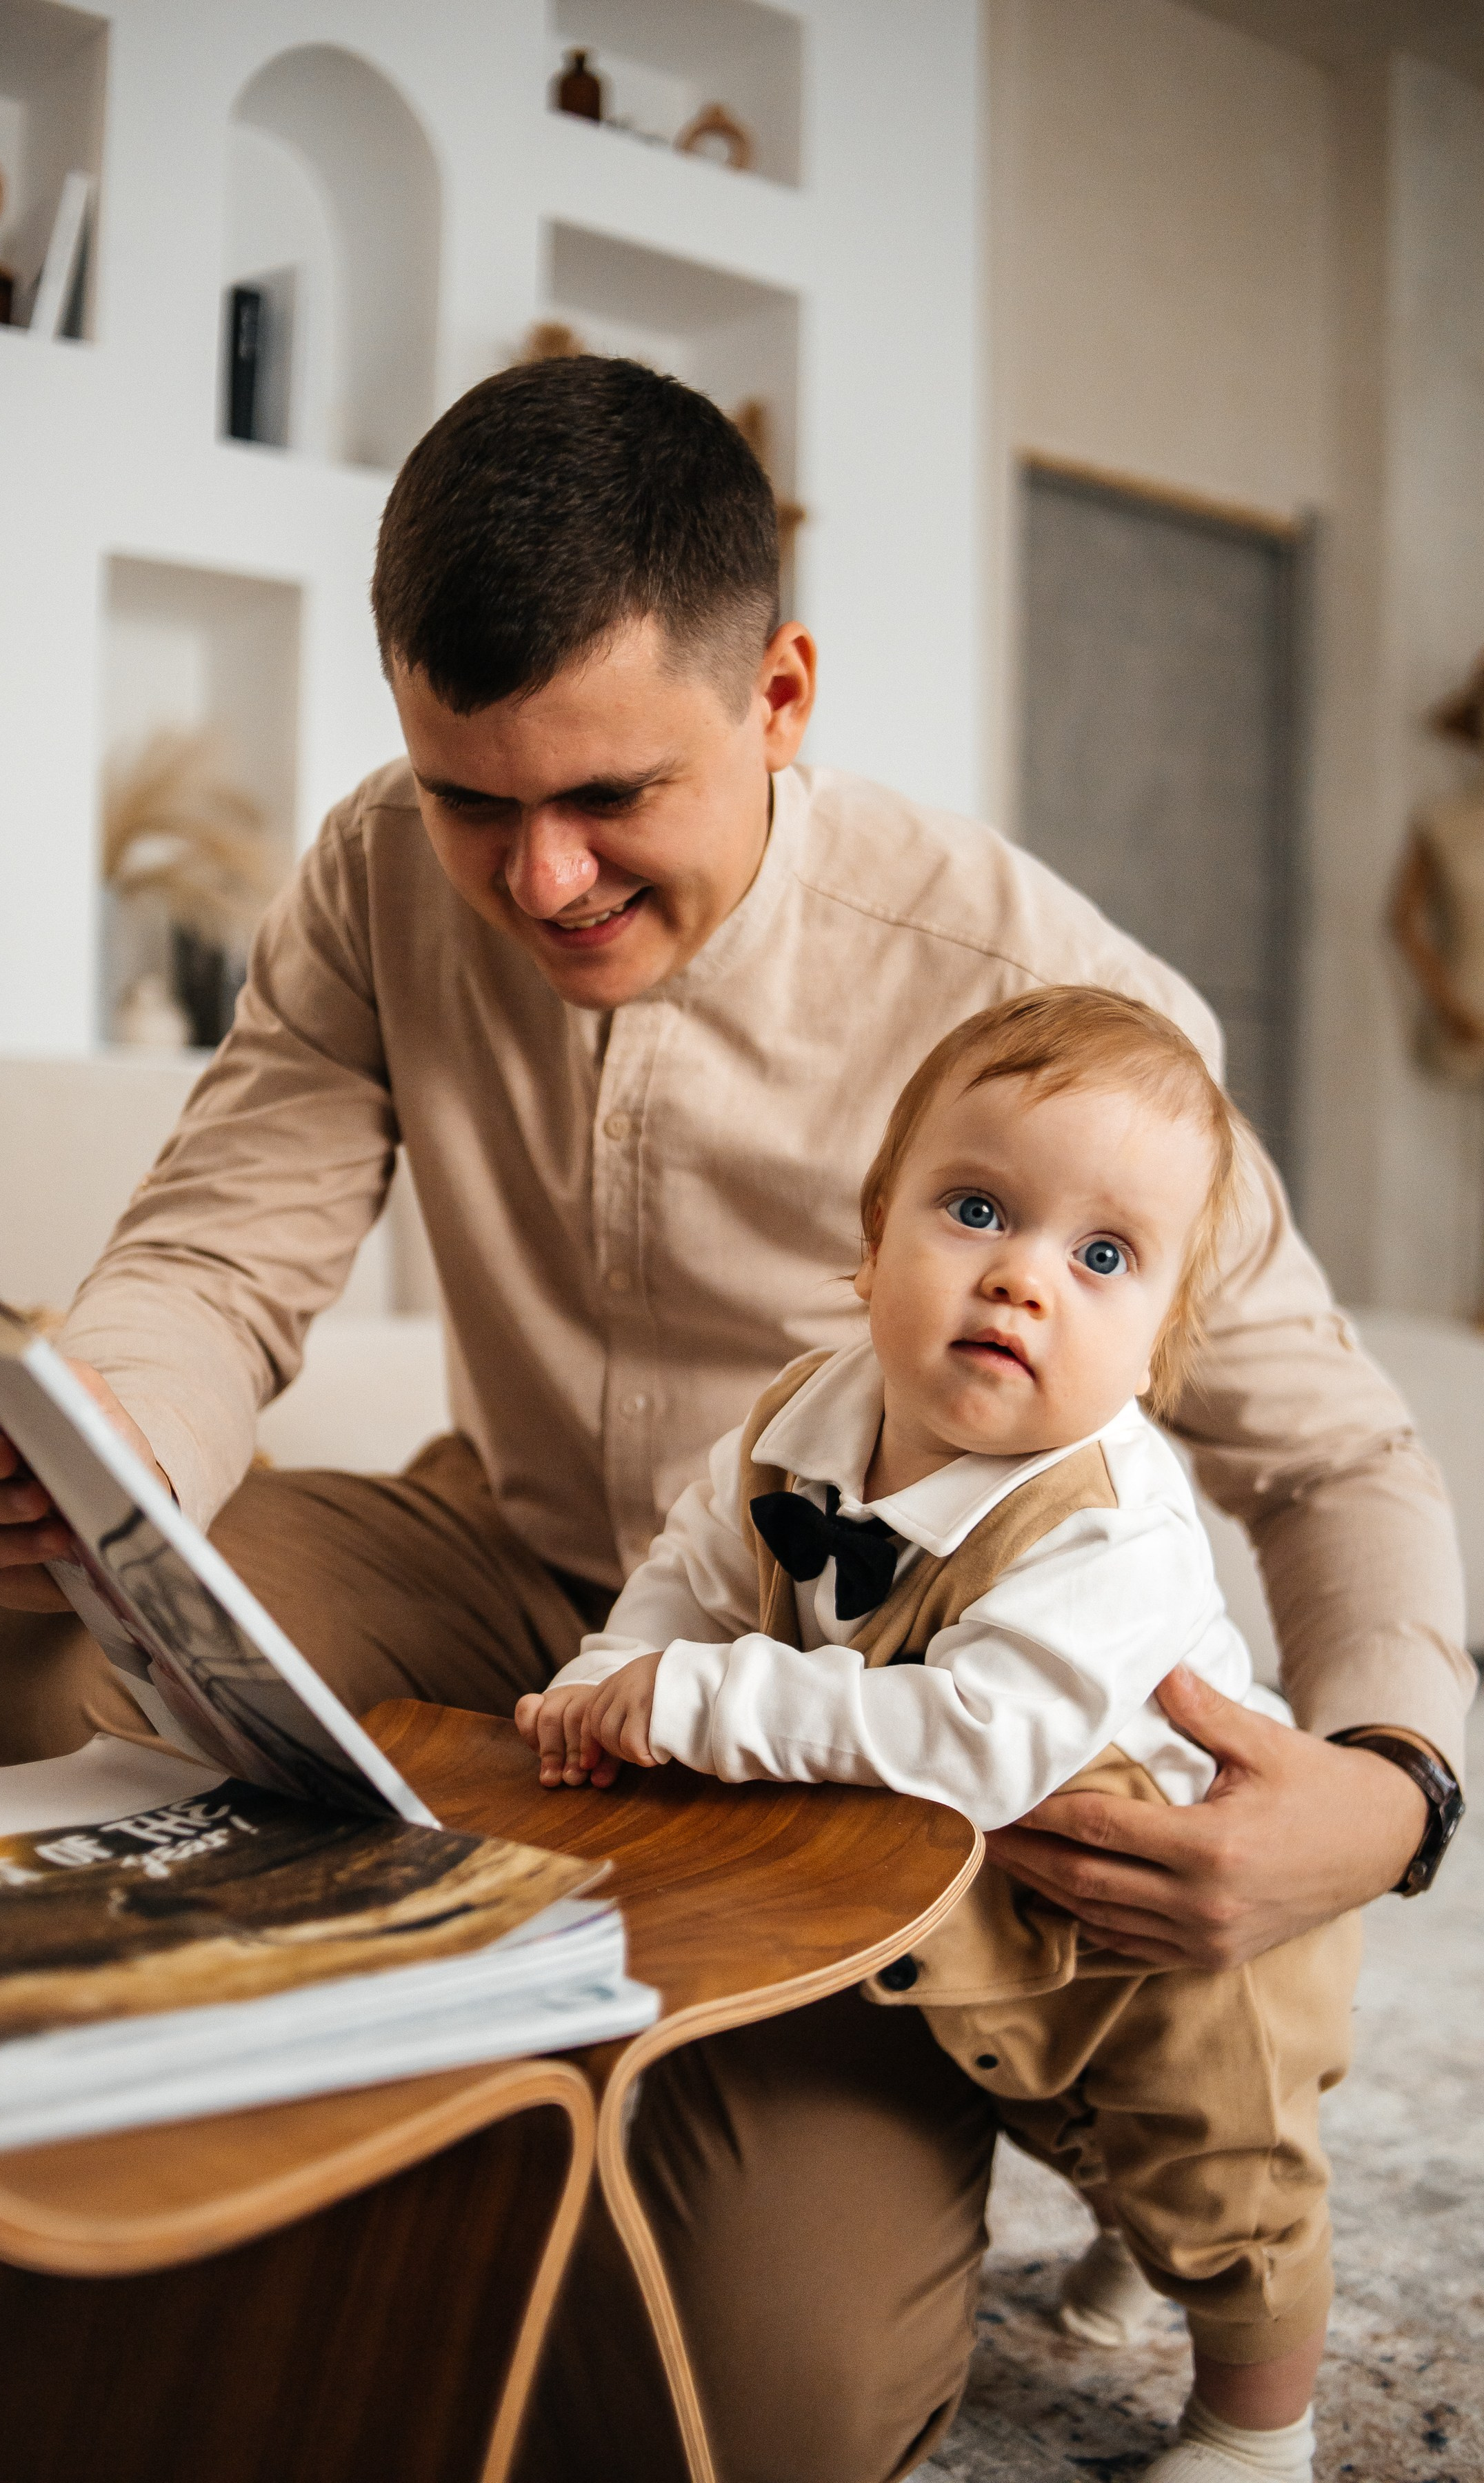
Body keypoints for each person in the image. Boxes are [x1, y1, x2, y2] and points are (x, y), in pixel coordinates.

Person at [0, 357, 1470, 2483]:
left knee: (763, 2410)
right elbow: (218, 1258)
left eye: (612, 796)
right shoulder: (372, 874)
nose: (535, 881)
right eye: (473, 797)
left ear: (781, 693)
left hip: (852, 1716)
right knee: (51, 1633)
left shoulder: (1058, 1010)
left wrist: (1396, 1794)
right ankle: (308, 2069)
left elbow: (1332, 1450)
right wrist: (95, 1445)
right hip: (514, 1568)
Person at [518, 985, 1356, 2483]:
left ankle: (1256, 2418)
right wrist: (614, 1674)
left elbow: (978, 1738)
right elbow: (697, 1571)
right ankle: (1114, 2233)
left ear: (1160, 1345)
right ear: (872, 1237)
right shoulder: (802, 1417)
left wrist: (707, 1701)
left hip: (1164, 1927)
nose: (1022, 1280)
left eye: (1103, 1258)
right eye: (978, 1209)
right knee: (1029, 2105)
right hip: (975, 1896)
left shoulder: (1117, 1529)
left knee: (1217, 2173)